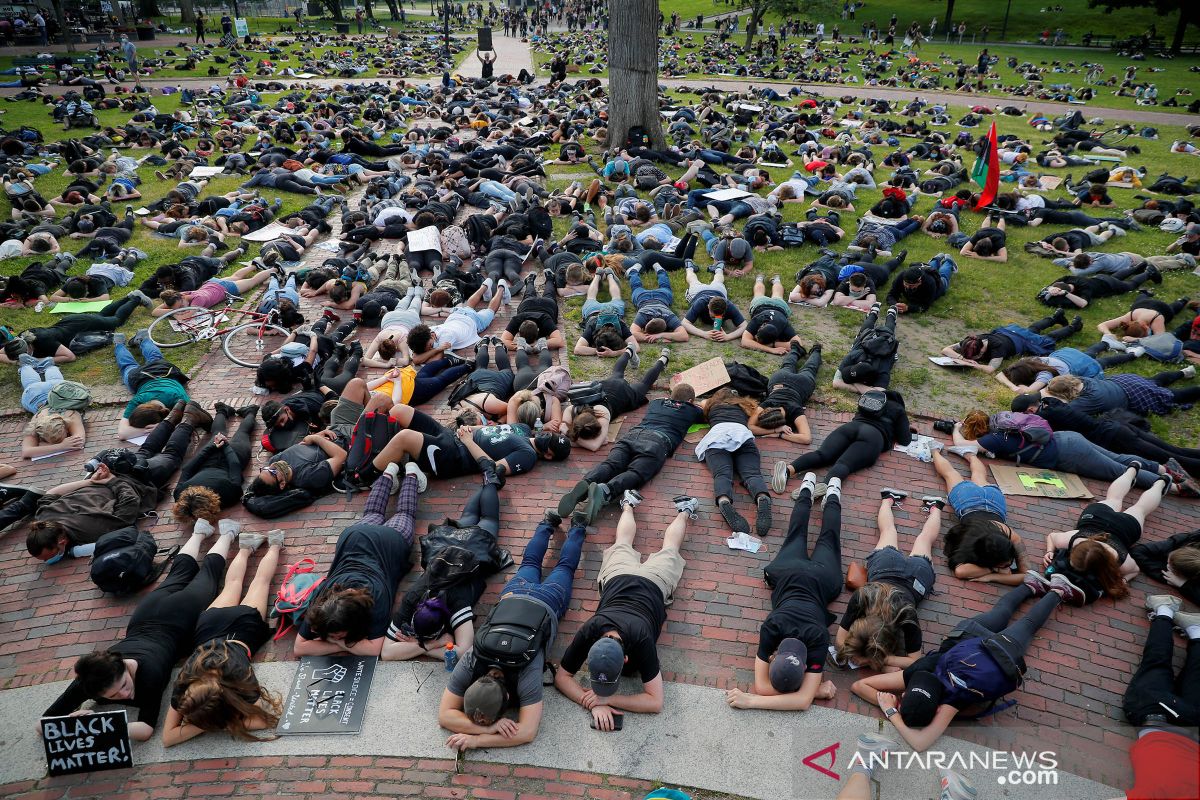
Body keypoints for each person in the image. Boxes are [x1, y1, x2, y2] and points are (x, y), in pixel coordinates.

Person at [41, 520, 243, 741]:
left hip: (179, 617)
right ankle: (199, 532)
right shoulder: (91, 679)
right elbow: (43, 724)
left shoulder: (149, 675)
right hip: (145, 615)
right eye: (114, 695)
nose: (125, 695)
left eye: (124, 685)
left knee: (208, 577)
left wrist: (96, 727)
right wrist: (75, 724)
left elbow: (146, 729)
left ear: (123, 665)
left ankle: (227, 533)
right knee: (178, 574)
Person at [850, 576, 1082, 752]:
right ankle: (1030, 584)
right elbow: (862, 686)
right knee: (1001, 612)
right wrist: (894, 705)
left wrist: (893, 712)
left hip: (1000, 653)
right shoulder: (915, 673)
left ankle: (1058, 590)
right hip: (965, 638)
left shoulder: (950, 701)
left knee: (1029, 625)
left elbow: (920, 743)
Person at [439, 509, 586, 750]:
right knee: (530, 563)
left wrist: (478, 738)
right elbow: (445, 716)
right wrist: (487, 728)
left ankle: (578, 525)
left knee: (565, 568)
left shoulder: (526, 669)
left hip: (547, 602)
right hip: (513, 594)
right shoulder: (473, 659)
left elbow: (527, 732)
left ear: (508, 697)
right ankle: (547, 523)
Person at [554, 495, 699, 729]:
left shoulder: (627, 635)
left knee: (646, 546)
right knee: (646, 545)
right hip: (623, 578)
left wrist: (605, 699)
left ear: (625, 659)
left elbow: (656, 703)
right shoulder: (595, 627)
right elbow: (561, 679)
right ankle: (678, 510)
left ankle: (641, 506)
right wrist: (596, 702)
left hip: (648, 583)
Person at [724, 473, 841, 711]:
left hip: (822, 579)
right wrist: (751, 699)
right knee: (796, 533)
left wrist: (814, 691)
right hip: (789, 572)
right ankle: (807, 487)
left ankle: (833, 493)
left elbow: (799, 700)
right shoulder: (772, 627)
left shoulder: (819, 637)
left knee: (829, 539)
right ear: (774, 657)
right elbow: (765, 688)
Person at [163, 529, 285, 746]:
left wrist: (210, 725)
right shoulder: (185, 683)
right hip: (209, 627)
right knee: (237, 583)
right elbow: (168, 738)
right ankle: (249, 546)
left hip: (244, 629)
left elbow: (261, 721)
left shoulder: (239, 678)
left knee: (259, 583)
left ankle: (273, 544)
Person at [293, 468, 418, 656]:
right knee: (373, 512)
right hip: (355, 537)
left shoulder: (376, 598)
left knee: (405, 514)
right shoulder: (323, 609)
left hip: (389, 541)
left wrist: (337, 643)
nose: (334, 637)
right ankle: (388, 472)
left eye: (336, 635)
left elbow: (374, 649)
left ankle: (412, 474)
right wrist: (344, 643)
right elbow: (299, 648)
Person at [381, 475, 504, 661]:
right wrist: (427, 645)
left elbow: (464, 653)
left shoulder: (457, 600)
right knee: (468, 517)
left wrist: (418, 646)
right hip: (450, 542)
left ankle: (492, 479)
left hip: (475, 547)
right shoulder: (412, 599)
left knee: (489, 519)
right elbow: (386, 653)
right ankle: (490, 478)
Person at [557, 382, 703, 523]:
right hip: (657, 441)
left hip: (632, 435)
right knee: (636, 472)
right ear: (690, 401)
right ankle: (606, 490)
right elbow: (707, 410)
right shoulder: (691, 409)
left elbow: (662, 399)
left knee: (611, 464)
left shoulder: (656, 403)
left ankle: (586, 482)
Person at [834, 490, 943, 671]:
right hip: (890, 570)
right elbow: (840, 640)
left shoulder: (907, 616)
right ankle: (933, 507)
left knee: (894, 533)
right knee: (919, 538)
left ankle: (890, 500)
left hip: (912, 579)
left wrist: (875, 660)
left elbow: (915, 661)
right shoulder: (863, 596)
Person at [1038, 466, 1169, 604]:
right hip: (1104, 519)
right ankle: (1158, 481)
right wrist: (1049, 550)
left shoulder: (1121, 561)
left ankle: (1136, 472)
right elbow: (1052, 536)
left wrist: (1050, 551)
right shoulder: (1075, 539)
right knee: (1138, 508)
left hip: (1120, 526)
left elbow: (1135, 570)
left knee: (1125, 503)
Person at [1118, 595, 1200, 800]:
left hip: (1194, 726)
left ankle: (1196, 632)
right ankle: (1164, 610)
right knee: (1156, 663)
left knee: (1196, 677)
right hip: (1156, 714)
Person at [771, 390, 912, 495]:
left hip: (850, 428)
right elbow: (905, 440)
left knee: (822, 454)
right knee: (844, 464)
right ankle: (823, 487)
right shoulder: (898, 409)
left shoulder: (871, 399)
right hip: (873, 437)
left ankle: (788, 470)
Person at [931, 448, 1028, 585]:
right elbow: (960, 572)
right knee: (965, 475)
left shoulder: (1010, 536)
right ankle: (965, 453)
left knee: (953, 474)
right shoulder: (1011, 537)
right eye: (1005, 564)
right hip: (975, 502)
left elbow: (1027, 577)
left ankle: (936, 450)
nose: (1008, 565)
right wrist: (996, 570)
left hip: (989, 504)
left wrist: (992, 576)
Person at [697, 388, 773, 538]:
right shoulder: (746, 405)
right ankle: (762, 497)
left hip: (717, 436)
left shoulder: (709, 403)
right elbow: (758, 412)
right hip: (742, 434)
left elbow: (700, 403)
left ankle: (724, 500)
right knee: (752, 474)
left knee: (722, 474)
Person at [563, 347, 671, 450]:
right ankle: (629, 350)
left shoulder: (603, 416)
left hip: (623, 394)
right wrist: (568, 431)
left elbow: (594, 446)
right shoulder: (576, 409)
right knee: (617, 373)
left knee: (644, 385)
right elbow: (565, 423)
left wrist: (570, 436)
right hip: (606, 387)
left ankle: (663, 359)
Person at [173, 403, 258, 509]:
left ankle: (250, 411)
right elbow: (188, 469)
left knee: (242, 433)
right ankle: (222, 410)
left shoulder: (228, 497)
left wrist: (215, 446)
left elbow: (235, 467)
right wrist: (219, 445)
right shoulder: (180, 495)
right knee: (224, 433)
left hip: (230, 457)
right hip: (212, 459)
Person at [940, 310, 1083, 373]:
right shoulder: (971, 341)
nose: (975, 359)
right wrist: (960, 358)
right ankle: (1055, 317)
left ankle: (1073, 327)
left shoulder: (998, 348)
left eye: (977, 357)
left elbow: (990, 369)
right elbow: (945, 349)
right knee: (1032, 329)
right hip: (1009, 331)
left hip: (1020, 340)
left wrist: (967, 364)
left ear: (982, 349)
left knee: (1048, 339)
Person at [113, 330, 193, 441]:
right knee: (130, 365)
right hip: (144, 376)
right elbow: (122, 434)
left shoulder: (139, 400)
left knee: (138, 362)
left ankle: (121, 344)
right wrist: (153, 429)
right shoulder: (140, 400)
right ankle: (131, 342)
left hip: (161, 371)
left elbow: (123, 434)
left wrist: (151, 429)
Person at [742, 274, 801, 354]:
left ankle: (762, 279)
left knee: (764, 294)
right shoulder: (780, 324)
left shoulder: (760, 320)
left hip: (773, 306)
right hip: (765, 305)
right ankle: (773, 280)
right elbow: (745, 342)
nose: (755, 337)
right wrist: (771, 348)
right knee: (769, 294)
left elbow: (798, 344)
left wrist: (773, 344)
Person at [885, 255, 956, 314]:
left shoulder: (930, 283)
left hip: (938, 286)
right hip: (925, 270)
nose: (908, 287)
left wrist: (908, 308)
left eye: (911, 286)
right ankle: (936, 259)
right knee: (929, 267)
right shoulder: (901, 277)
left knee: (943, 276)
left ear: (919, 281)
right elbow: (891, 295)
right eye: (906, 284)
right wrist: (894, 305)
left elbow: (925, 305)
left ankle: (948, 261)